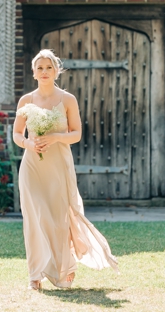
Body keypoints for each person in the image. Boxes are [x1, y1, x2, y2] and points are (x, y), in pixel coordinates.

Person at [13, 49, 119, 290]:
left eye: (49, 67)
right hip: (32, 167)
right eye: (39, 68)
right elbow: (17, 134)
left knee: (59, 219)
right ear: (33, 72)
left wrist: (56, 138)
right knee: (35, 218)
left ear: (56, 70)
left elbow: (76, 134)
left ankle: (64, 269)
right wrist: (31, 143)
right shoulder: (26, 101)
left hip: (59, 165)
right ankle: (35, 275)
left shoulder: (68, 99)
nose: (44, 72)